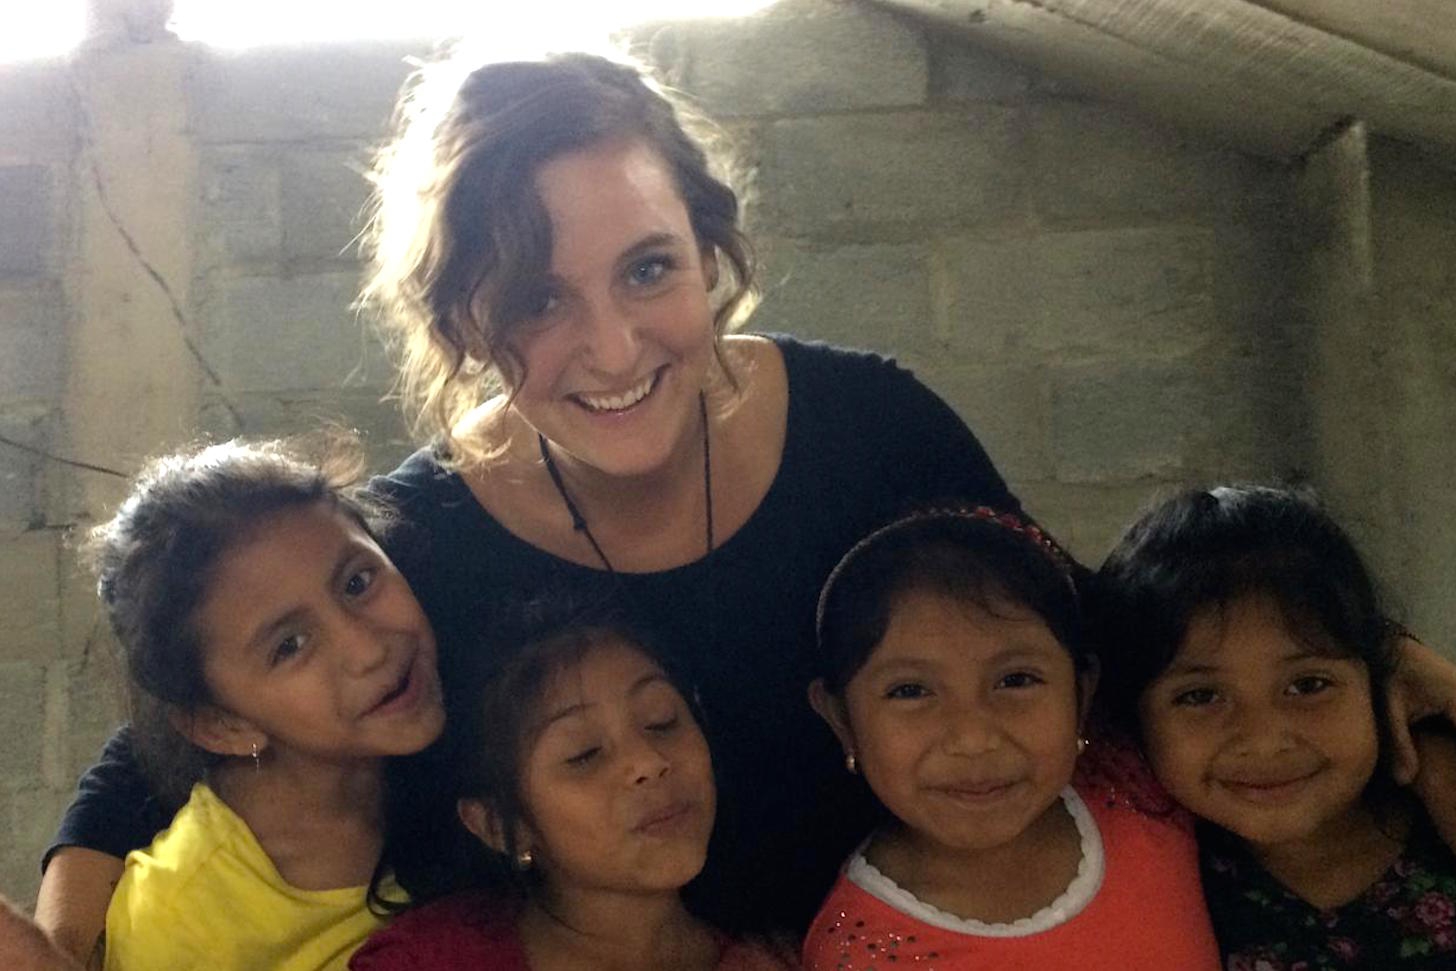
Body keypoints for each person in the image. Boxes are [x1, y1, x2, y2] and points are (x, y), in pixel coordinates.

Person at [38, 48, 1456, 945]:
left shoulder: (872, 424)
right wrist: (64, 912)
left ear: (715, 246)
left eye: (649, 268)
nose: (609, 348)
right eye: (538, 299)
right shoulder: (423, 539)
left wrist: (1387, 660)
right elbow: (159, 744)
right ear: (462, 317)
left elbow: (1094, 622)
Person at [801, 506, 1221, 969]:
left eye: (1016, 680)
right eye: (910, 691)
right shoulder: (865, 948)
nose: (974, 737)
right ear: (842, 720)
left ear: (1082, 694)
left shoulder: (1136, 782)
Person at [80, 440, 446, 970]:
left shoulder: (458, 737)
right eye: (289, 646)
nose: (369, 649)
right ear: (221, 724)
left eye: (358, 582)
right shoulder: (183, 923)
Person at [1095, 485, 1456, 968]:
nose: (1264, 739)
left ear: (1379, 684)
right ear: (1133, 716)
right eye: (1200, 696)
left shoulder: (1441, 801)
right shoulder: (1148, 867)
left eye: (1308, 685)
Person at [350, 607, 797, 969]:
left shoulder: (785, 959)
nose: (648, 763)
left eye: (662, 722)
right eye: (584, 754)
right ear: (494, 825)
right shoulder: (428, 961)